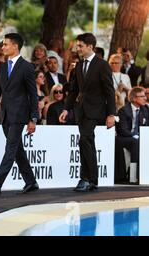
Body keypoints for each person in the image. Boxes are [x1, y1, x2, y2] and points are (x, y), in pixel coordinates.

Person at [0, 33, 39, 196]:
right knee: (17, 149)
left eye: (6, 44)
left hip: (20, 115)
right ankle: (31, 182)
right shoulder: (3, 67)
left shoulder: (27, 67)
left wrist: (33, 118)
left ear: (15, 46)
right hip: (5, 115)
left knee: (10, 148)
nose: (3, 47)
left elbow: (33, 94)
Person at [59, 33, 115, 192]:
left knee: (83, 140)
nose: (78, 49)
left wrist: (112, 114)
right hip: (80, 110)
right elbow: (73, 90)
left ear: (90, 47)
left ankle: (84, 178)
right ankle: (93, 180)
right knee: (87, 142)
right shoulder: (78, 65)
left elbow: (109, 91)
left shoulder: (102, 65)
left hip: (96, 110)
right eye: (78, 46)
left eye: (81, 46)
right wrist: (66, 109)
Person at [115, 87, 149, 184]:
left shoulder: (145, 109)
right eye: (142, 96)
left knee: (139, 141)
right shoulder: (123, 110)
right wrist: (136, 135)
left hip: (139, 137)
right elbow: (123, 130)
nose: (145, 98)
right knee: (135, 142)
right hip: (124, 138)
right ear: (134, 99)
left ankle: (143, 174)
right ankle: (133, 176)